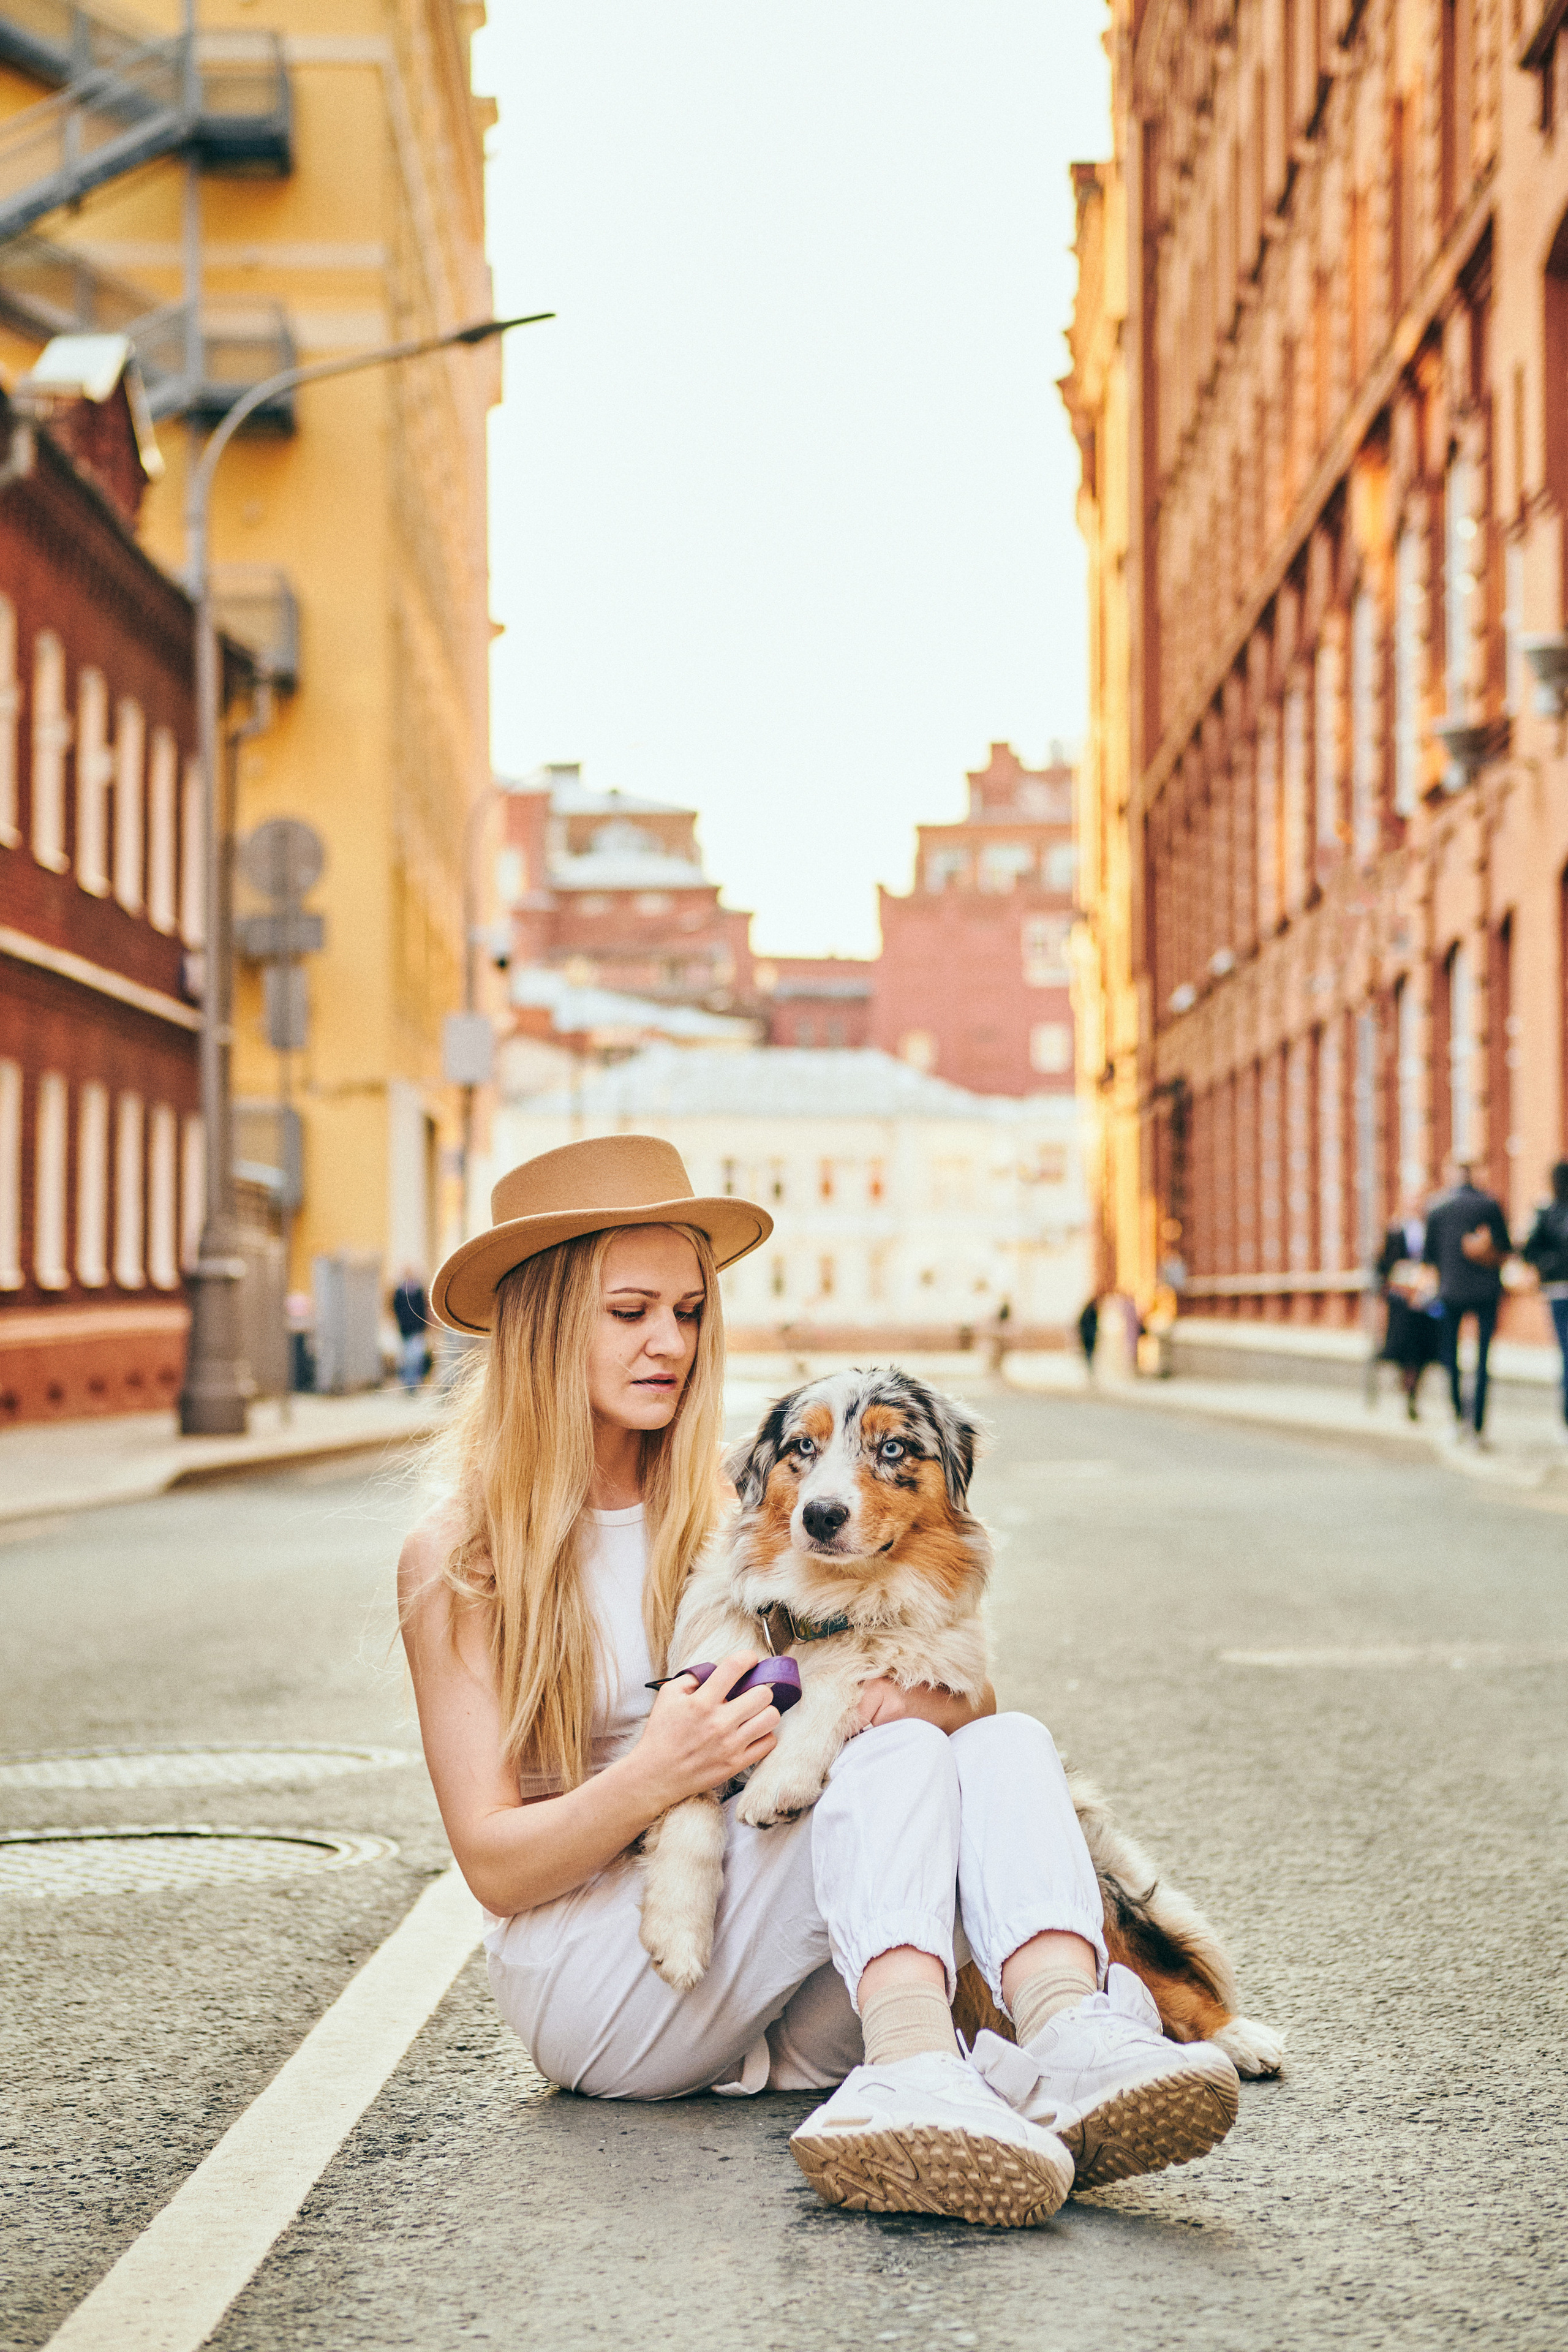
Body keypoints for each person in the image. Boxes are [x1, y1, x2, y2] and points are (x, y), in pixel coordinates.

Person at [398, 1135, 1239, 2227]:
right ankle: (917, 2072)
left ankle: (1065, 2029)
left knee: (1002, 1741)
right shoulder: (461, 1555)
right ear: (548, 1323)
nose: (670, 1344)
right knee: (894, 1759)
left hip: (783, 1973)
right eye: (630, 1312)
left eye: (689, 1312)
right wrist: (656, 1774)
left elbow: (956, 1706)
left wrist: (901, 1701)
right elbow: (495, 1868)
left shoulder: (745, 1505)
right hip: (606, 1976)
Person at [1422, 1160, 1512, 1444]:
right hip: (1487, 1292)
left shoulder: (1436, 1208)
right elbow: (1506, 1248)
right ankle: (1479, 1426)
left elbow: (1429, 1257)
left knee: (1451, 1357)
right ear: (1473, 1175)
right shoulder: (1489, 1205)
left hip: (1450, 1292)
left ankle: (1457, 1418)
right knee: (1483, 1359)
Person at [1374, 1192, 1440, 1420]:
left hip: (1424, 1301)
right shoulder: (1395, 1231)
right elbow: (1384, 1265)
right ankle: (1407, 1387)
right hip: (1402, 1303)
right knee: (1404, 1349)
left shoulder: (1431, 1231)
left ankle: (1413, 1391)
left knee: (1423, 1351)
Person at [1519, 1160, 1568, 1432]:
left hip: (1558, 1290)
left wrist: (1546, 1266)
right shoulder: (1547, 1211)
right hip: (1558, 1289)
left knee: (1567, 1352)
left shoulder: (1546, 1211)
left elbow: (1528, 1249)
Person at [391, 1267, 431, 1393]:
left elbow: (423, 1309)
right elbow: (395, 1310)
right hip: (404, 1330)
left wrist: (425, 1326)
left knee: (417, 1357)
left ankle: (414, 1383)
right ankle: (407, 1383)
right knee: (406, 1358)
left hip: (417, 1329)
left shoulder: (419, 1291)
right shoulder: (399, 1292)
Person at [1076, 1295, 1099, 1380]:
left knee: (1089, 1354)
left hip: (1088, 1336)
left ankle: (1091, 1372)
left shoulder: (1088, 1311)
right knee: (1089, 1354)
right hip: (1089, 1336)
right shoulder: (1091, 1311)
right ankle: (1091, 1372)